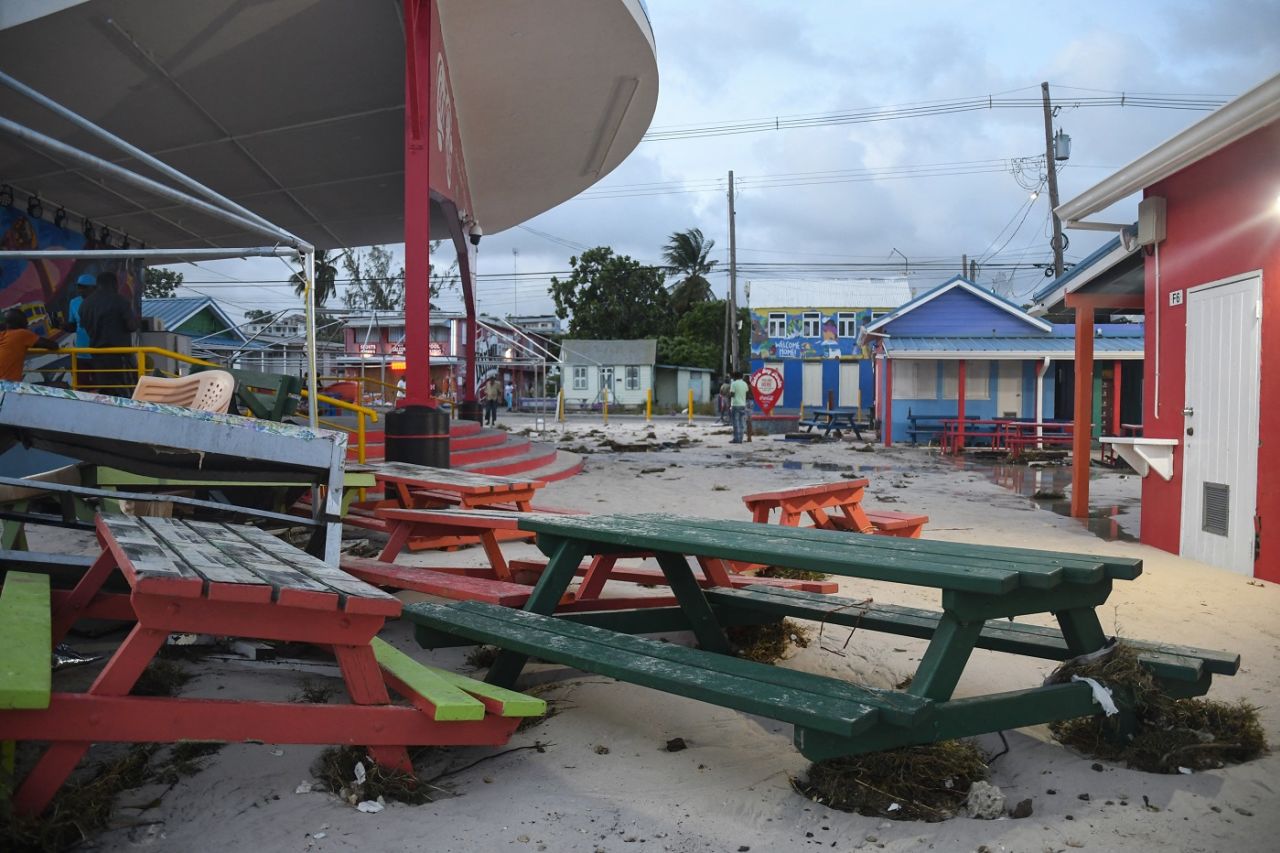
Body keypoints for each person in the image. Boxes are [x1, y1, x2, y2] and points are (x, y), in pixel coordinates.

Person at [77, 270, 138, 395]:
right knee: (127, 390)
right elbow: (132, 326)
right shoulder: (120, 301)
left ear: (98, 285)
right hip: (120, 355)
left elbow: (83, 326)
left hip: (97, 355)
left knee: (106, 389)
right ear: (114, 284)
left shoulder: (85, 304)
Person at [0, 307, 59, 382]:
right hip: (6, 385)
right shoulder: (21, 334)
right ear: (21, 322)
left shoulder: (3, 334)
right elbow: (53, 345)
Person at [62, 272, 96, 376]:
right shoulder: (74, 302)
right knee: (81, 387)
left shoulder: (100, 302)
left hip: (98, 353)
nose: (80, 290)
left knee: (100, 387)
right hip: (80, 352)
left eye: (83, 287)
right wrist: (62, 325)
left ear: (93, 288)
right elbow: (73, 326)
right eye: (78, 287)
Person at [729, 370, 750, 444]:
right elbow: (747, 394)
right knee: (741, 423)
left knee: (735, 423)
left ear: (735, 377)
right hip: (743, 405)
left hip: (735, 404)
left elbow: (732, 394)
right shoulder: (745, 384)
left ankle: (736, 439)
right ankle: (740, 439)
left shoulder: (734, 383)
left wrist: (730, 394)